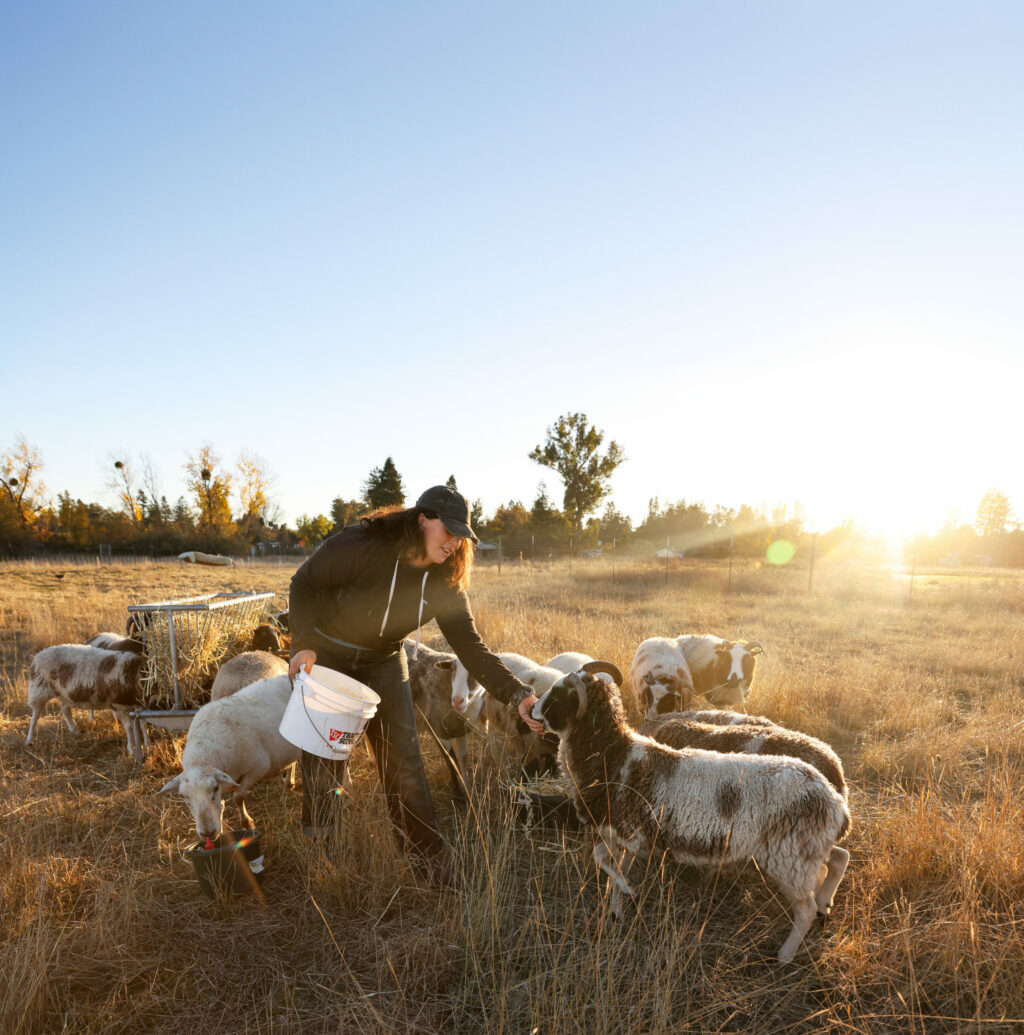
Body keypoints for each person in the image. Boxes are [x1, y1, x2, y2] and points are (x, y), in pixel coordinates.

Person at [287, 484, 544, 878]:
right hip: (331, 653)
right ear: (421, 520)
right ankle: (323, 850)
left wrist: (519, 694)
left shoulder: (446, 580)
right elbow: (303, 583)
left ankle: (428, 860)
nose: (455, 543)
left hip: (385, 658)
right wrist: (302, 644)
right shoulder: (363, 544)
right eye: (449, 531)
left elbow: (471, 647)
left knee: (404, 759)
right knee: (326, 755)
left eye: (462, 536)